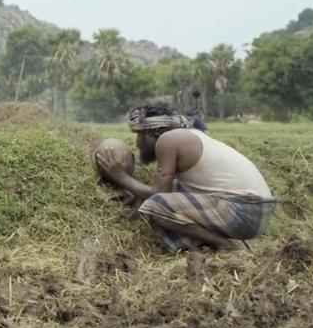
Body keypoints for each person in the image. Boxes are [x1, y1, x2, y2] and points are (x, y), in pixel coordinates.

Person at [95, 105, 278, 253]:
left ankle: (223, 244)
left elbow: (158, 194)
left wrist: (120, 176)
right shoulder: (189, 136)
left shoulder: (168, 140)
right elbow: (171, 190)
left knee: (156, 206)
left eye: (139, 135)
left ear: (152, 132)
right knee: (176, 188)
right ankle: (221, 245)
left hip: (245, 212)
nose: (137, 143)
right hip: (257, 212)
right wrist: (134, 191)